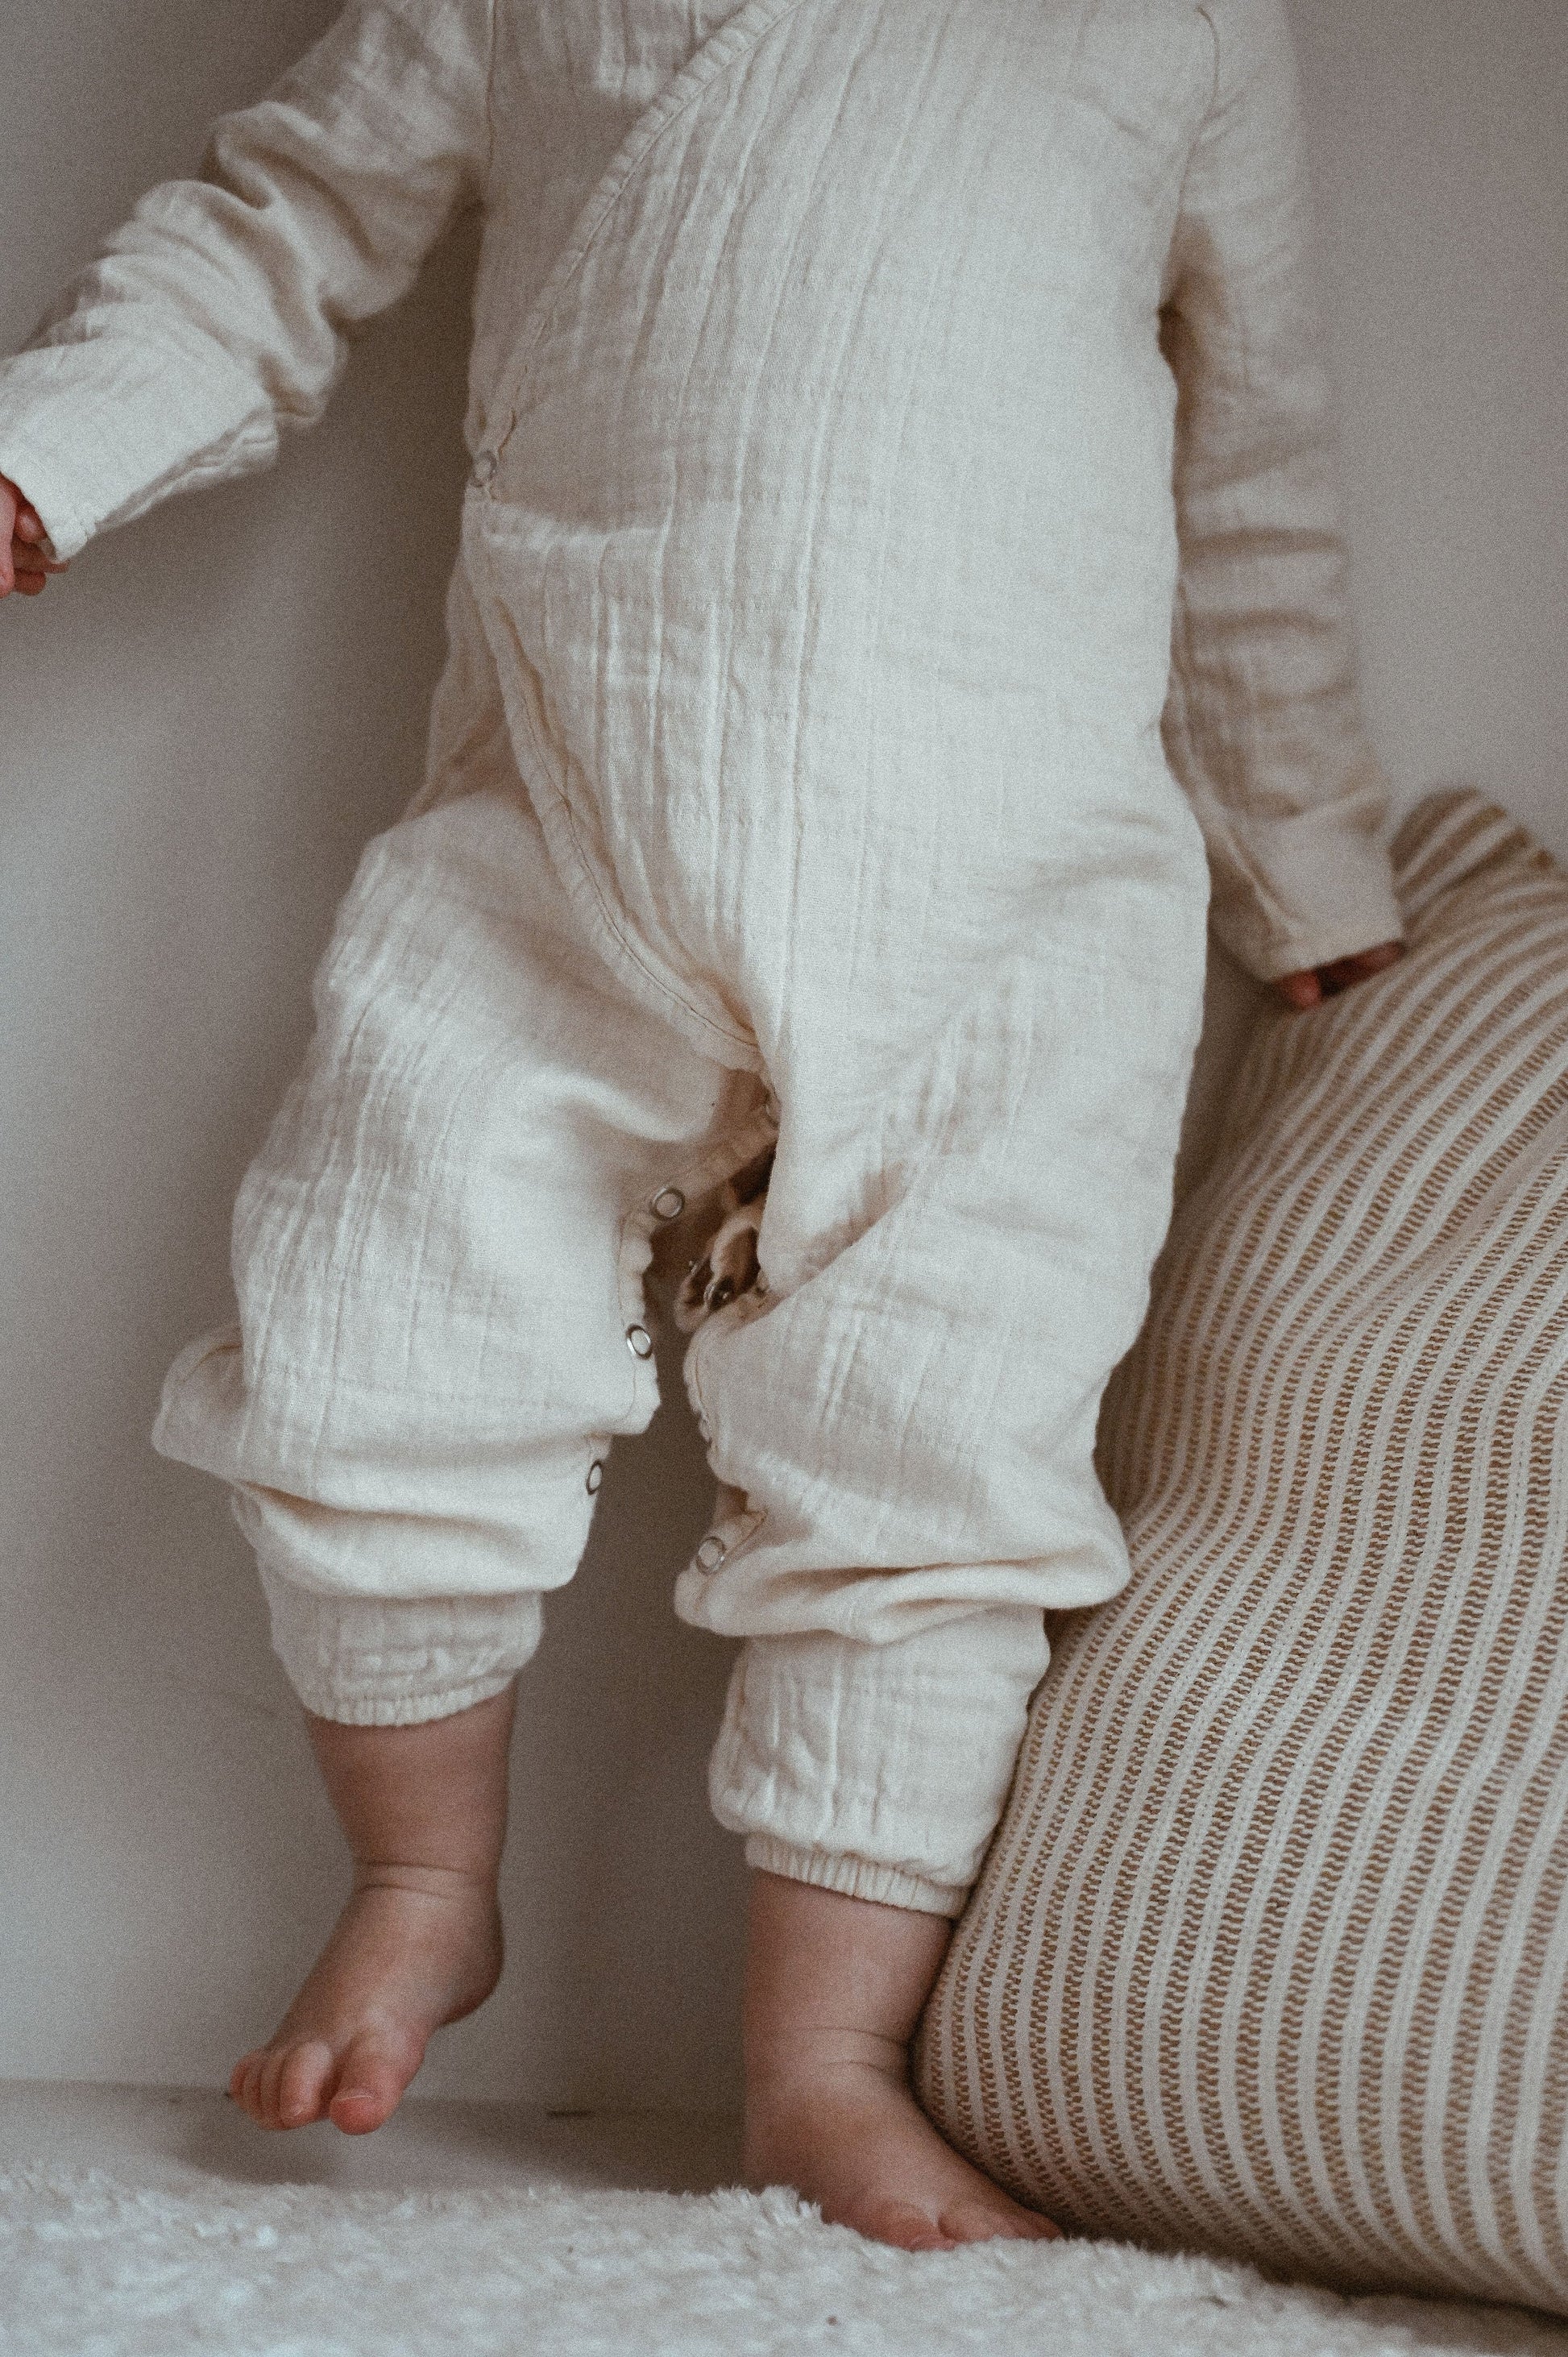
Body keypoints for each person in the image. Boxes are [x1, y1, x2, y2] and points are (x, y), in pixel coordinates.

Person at [0, 0, 1403, 2251]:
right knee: (367, 1317)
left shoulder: (1178, 25)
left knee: (937, 1455)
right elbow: (278, 221)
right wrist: (51, 451)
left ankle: (818, 2066)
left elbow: (1250, 456)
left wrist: (1302, 854)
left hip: (1016, 890)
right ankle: (425, 1875)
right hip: (567, 806)